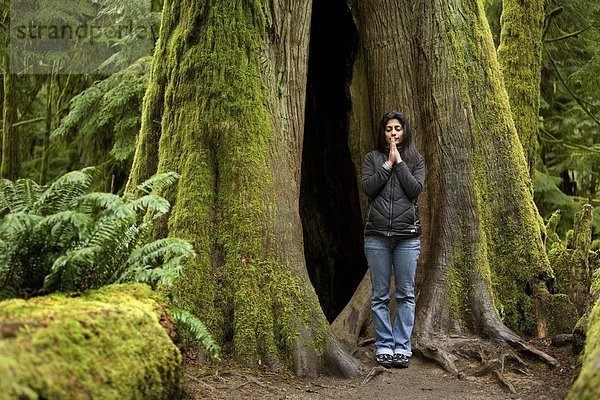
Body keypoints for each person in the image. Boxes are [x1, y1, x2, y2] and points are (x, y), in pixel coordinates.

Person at [361, 111, 425, 369]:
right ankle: (384, 345)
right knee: (379, 295)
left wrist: (399, 163)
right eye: (389, 129)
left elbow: (415, 190)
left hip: (407, 237)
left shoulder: (416, 160)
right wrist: (387, 164)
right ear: (383, 132)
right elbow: (368, 188)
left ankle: (402, 346)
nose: (393, 133)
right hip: (377, 236)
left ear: (405, 131)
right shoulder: (372, 159)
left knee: (406, 294)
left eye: (398, 128)